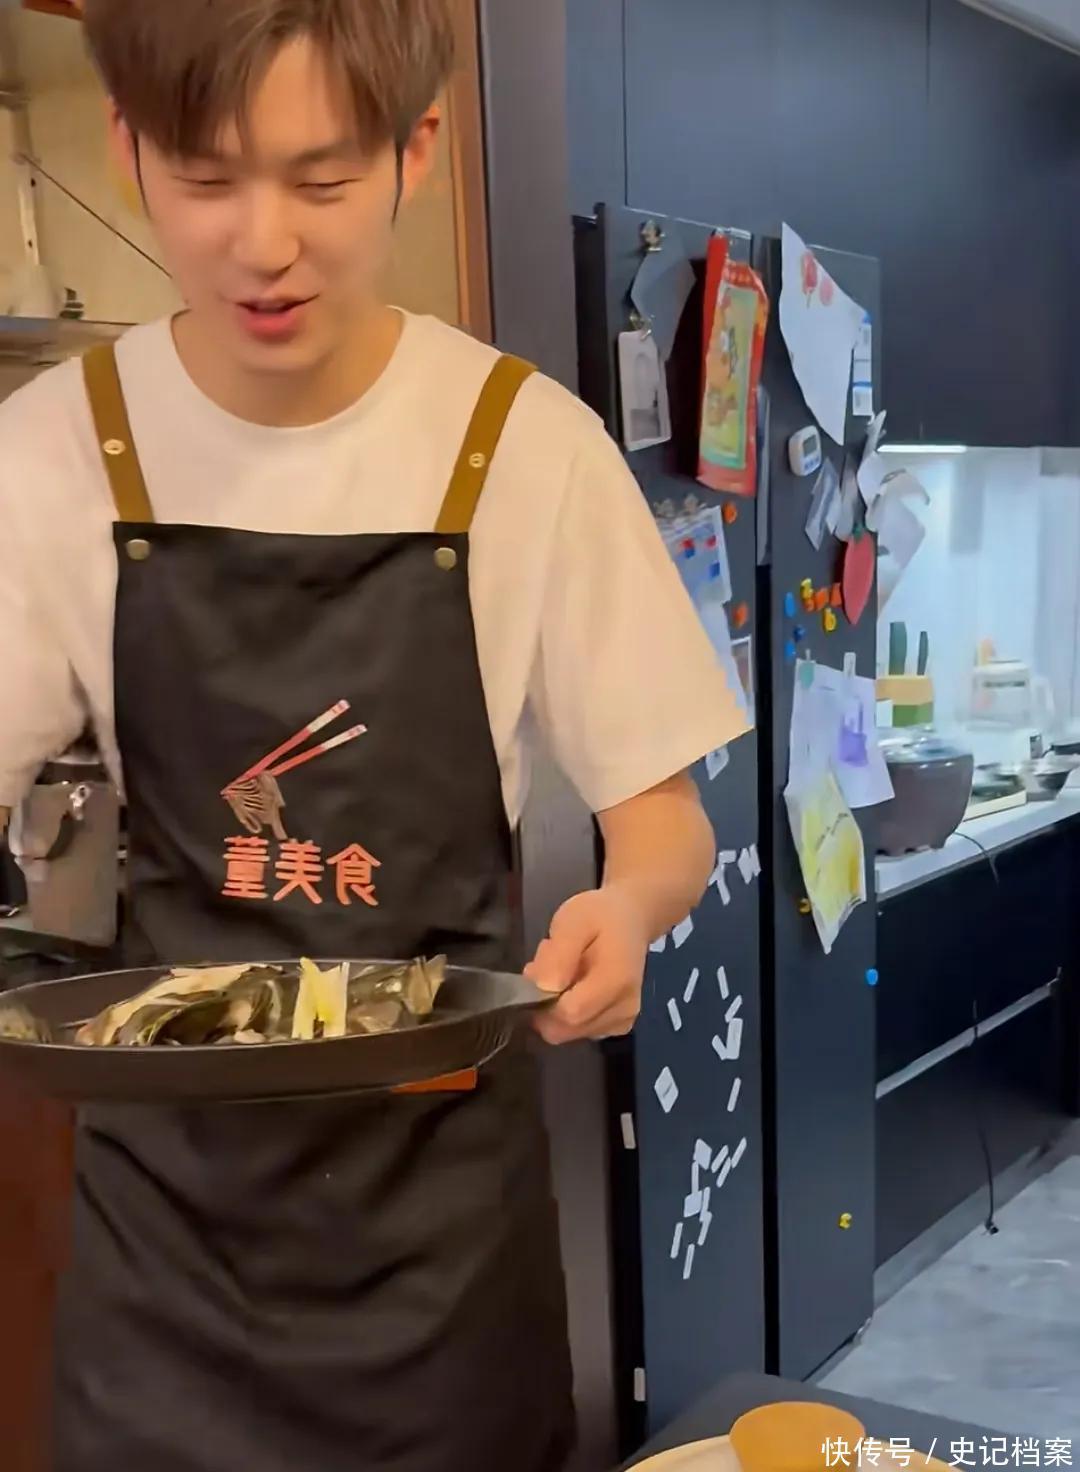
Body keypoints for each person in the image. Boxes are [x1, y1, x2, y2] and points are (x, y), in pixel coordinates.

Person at [0, 1, 749, 1468]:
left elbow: (665, 825)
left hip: (441, 1227)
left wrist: (629, 912)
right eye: (206, 179)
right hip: (166, 1237)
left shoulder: (525, 443)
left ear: (416, 150)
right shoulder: (51, 452)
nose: (263, 243)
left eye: (323, 179)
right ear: (127, 147)